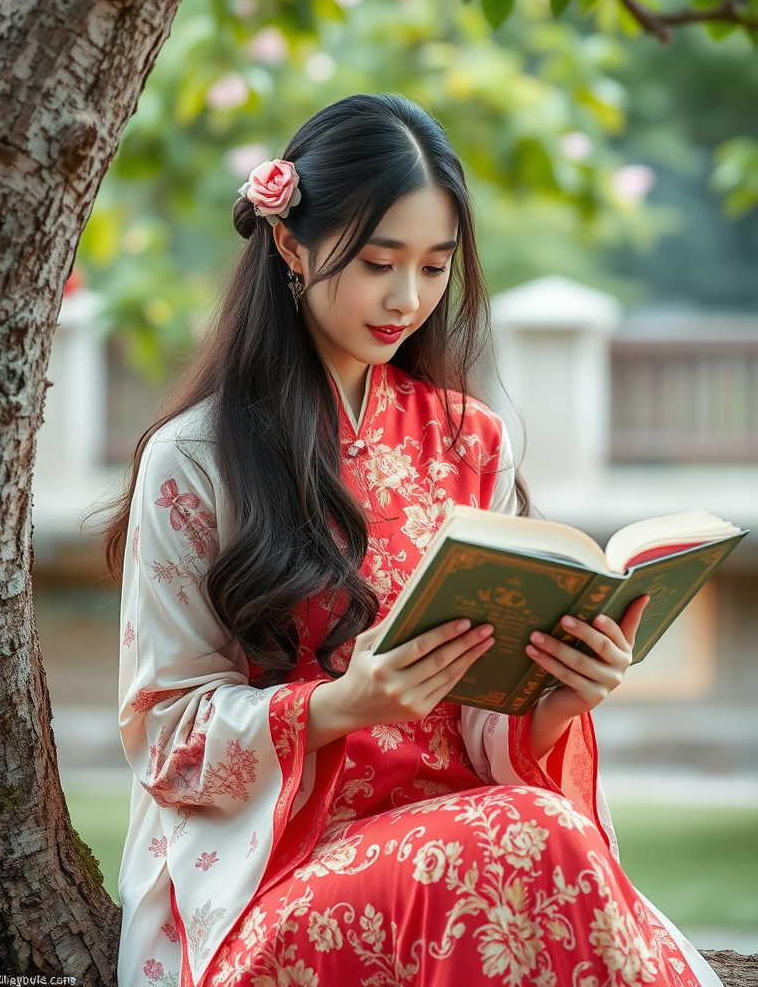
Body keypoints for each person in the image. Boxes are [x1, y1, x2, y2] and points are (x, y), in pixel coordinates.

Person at [106, 93, 723, 987]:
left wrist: (560, 694)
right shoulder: (196, 461)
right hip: (277, 876)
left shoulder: (475, 440)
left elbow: (488, 715)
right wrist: (338, 705)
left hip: (476, 838)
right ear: (290, 244)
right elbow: (165, 737)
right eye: (376, 262)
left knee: (535, 833)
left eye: (435, 268)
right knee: (536, 837)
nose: (407, 299)